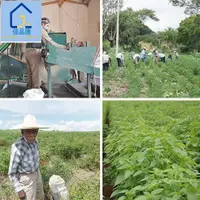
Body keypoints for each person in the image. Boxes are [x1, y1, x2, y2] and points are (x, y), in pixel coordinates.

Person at [8, 114, 47, 200]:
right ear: (23, 131)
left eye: (35, 131)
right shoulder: (17, 147)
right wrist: (19, 189)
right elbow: (12, 173)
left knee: (40, 196)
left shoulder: (35, 141)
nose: (32, 134)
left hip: (37, 173)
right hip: (26, 178)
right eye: (29, 131)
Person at [24, 17, 67, 89]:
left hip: (27, 51)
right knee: (36, 73)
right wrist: (63, 47)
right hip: (35, 53)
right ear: (43, 24)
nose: (47, 27)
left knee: (30, 72)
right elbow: (51, 41)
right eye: (47, 25)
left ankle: (29, 90)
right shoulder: (40, 29)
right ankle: (35, 91)